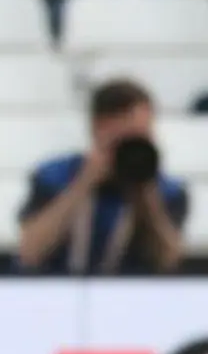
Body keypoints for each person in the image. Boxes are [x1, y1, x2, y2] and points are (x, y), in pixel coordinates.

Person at [17, 78, 187, 275]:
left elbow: (169, 260)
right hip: (56, 291)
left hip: (133, 295)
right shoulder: (54, 177)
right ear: (97, 129)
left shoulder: (168, 190)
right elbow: (29, 252)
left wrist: (146, 193)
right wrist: (83, 183)